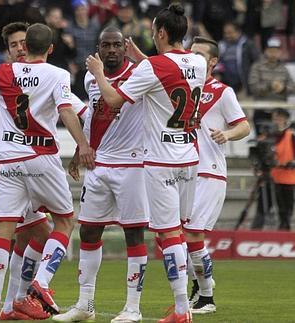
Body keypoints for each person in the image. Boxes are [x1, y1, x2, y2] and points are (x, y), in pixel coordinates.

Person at [0, 21, 88, 321]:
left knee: (11, 232)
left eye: (22, 43)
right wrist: (83, 145)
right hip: (40, 157)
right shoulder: (57, 75)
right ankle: (36, 287)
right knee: (64, 222)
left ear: (27, 46)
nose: (18, 48)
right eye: (13, 44)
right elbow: (72, 110)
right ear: (49, 48)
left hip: (8, 163)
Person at [86, 4, 207, 322]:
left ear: (162, 32)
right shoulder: (199, 61)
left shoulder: (152, 67)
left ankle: (181, 310)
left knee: (166, 236)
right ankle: (184, 305)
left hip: (161, 161)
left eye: (154, 30)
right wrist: (141, 57)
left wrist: (99, 72)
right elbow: (169, 75)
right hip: (190, 156)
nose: (152, 34)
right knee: (178, 232)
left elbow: (113, 100)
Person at [53, 27, 148, 323]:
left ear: (125, 48)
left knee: (133, 233)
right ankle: (85, 304)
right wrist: (81, 148)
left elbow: (116, 99)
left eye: (116, 45)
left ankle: (133, 307)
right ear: (98, 46)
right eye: (105, 45)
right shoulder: (90, 78)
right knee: (89, 231)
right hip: (99, 165)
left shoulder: (138, 74)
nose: (110, 50)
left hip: (132, 166)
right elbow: (95, 114)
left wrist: (99, 74)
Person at [183, 36, 250, 314]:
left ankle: (207, 295)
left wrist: (227, 133)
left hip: (209, 172)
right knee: (175, 237)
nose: (194, 58)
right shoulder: (181, 88)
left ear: (212, 62)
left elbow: (244, 126)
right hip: (181, 171)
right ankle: (200, 285)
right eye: (191, 53)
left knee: (192, 234)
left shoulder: (223, 92)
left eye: (200, 54)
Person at [249, 37, 295, 135]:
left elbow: (293, 88)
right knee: (262, 142)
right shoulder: (257, 67)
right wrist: (269, 85)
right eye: (271, 51)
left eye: (276, 51)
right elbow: (253, 87)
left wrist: (283, 89)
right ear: (265, 51)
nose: (273, 54)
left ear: (280, 52)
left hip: (280, 112)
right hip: (262, 110)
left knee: (281, 142)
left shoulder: (284, 69)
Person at [268, 108, 295, 231]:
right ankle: (281, 228)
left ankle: (285, 229)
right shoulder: (270, 135)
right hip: (275, 176)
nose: (277, 120)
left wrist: (291, 163)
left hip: (289, 177)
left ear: (285, 119)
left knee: (287, 208)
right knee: (279, 207)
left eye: (279, 118)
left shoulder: (291, 135)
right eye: (275, 118)